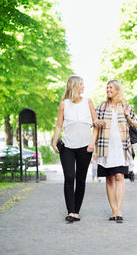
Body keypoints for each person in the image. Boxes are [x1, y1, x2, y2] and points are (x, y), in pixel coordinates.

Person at [52, 75, 98, 223]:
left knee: (81, 179)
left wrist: (92, 143)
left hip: (85, 147)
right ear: (74, 86)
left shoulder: (88, 102)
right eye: (81, 84)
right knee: (69, 177)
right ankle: (70, 211)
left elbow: (95, 123)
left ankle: (76, 211)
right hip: (67, 146)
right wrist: (54, 142)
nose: (83, 87)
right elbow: (59, 125)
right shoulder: (63, 104)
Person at [94, 80, 137, 223]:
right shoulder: (101, 107)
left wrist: (128, 116)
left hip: (121, 148)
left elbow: (136, 125)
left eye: (110, 88)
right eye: (107, 88)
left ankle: (119, 211)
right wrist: (96, 123)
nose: (108, 90)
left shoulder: (126, 106)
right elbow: (94, 123)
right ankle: (113, 211)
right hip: (105, 147)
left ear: (118, 90)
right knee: (109, 178)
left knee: (119, 176)